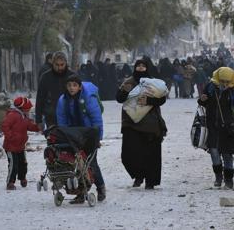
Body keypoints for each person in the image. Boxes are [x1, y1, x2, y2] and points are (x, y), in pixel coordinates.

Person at [116, 60, 167, 190]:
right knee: (128, 154)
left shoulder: (153, 82)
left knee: (151, 154)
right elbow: (119, 98)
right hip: (131, 122)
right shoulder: (128, 82)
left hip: (150, 123)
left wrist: (149, 100)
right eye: (138, 65)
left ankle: (150, 181)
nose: (140, 68)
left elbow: (162, 99)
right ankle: (138, 175)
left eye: (143, 66)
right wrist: (125, 92)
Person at [56, 75, 106, 202]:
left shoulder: (88, 98)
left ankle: (100, 187)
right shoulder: (63, 100)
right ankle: (80, 192)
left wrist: (98, 138)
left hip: (89, 135)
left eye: (74, 85)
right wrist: (63, 136)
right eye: (69, 85)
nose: (71, 88)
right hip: (72, 135)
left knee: (90, 163)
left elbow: (96, 119)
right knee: (74, 164)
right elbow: (62, 121)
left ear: (79, 87)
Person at [198, 67, 234, 189]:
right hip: (212, 125)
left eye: (227, 81)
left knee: (227, 153)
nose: (224, 84)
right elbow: (202, 102)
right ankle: (218, 177)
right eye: (222, 81)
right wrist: (202, 99)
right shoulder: (211, 87)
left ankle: (229, 180)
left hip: (229, 128)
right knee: (213, 151)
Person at [2, 97, 40, 190]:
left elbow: (30, 126)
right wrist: (11, 137)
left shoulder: (24, 117)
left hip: (20, 146)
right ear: (23, 108)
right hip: (11, 146)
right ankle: (10, 182)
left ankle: (22, 178)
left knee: (23, 164)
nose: (29, 110)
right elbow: (5, 126)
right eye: (28, 109)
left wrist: (39, 127)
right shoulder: (13, 115)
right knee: (13, 164)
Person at [35, 51, 75, 130]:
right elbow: (40, 98)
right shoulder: (45, 77)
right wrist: (38, 119)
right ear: (52, 63)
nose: (59, 67)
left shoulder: (72, 76)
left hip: (70, 115)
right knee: (54, 140)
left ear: (66, 63)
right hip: (51, 117)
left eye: (62, 65)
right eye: (57, 65)